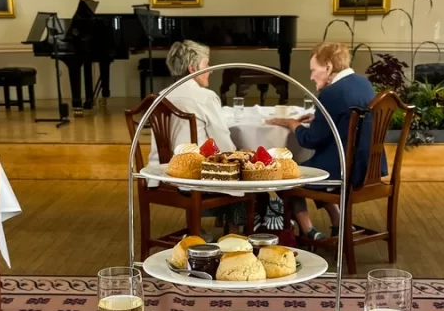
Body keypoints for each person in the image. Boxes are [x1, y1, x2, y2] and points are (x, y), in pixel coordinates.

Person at [267, 41, 384, 242]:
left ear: (328, 67)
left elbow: (310, 140)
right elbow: (348, 119)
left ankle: (309, 231)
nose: (311, 76)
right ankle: (339, 223)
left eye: (314, 70)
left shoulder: (331, 92)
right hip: (368, 167)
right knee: (314, 167)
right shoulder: (362, 83)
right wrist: (320, 120)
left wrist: (292, 123)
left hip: (344, 172)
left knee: (285, 175)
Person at [148, 39, 245, 233]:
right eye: (206, 65)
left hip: (162, 174)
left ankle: (198, 230)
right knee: (242, 176)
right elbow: (222, 140)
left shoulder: (161, 96)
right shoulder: (205, 97)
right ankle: (234, 236)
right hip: (195, 178)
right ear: (193, 68)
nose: (210, 70)